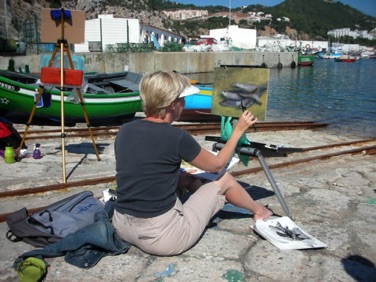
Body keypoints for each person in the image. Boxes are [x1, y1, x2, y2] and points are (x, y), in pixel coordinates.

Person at [112, 71, 272, 256]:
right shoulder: (176, 137)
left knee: (184, 177)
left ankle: (209, 202)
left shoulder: (125, 130)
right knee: (225, 179)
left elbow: (145, 169)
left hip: (122, 226)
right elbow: (218, 165)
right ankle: (259, 211)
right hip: (160, 238)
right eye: (182, 99)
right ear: (173, 104)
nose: (184, 103)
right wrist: (237, 131)